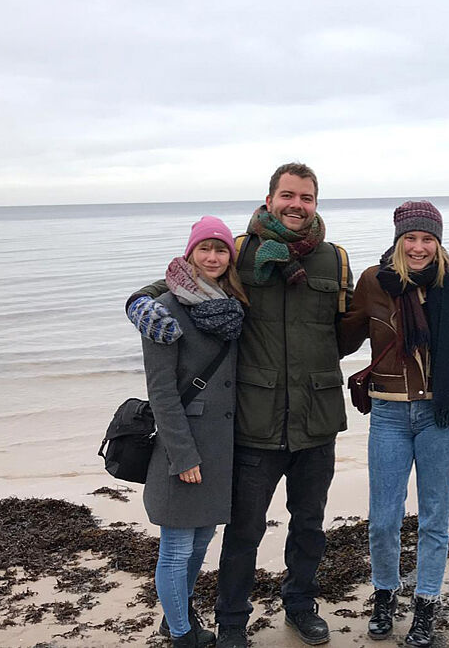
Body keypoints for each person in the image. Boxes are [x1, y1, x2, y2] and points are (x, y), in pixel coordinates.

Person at [126, 163, 353, 648]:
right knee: (243, 533)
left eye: (307, 197)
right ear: (269, 198)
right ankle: (231, 622)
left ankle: (300, 605)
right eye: (287, 195)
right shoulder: (242, 253)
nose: (297, 205)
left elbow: (346, 329)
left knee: (310, 526)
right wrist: (140, 300)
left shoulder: (334, 260)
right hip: (255, 420)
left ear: (316, 203)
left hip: (317, 420)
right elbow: (187, 280)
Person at [338, 201, 449, 648]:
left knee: (434, 517)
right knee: (383, 519)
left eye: (427, 239)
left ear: (438, 243)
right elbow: (343, 335)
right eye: (410, 238)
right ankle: (385, 596)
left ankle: (427, 605)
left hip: (440, 414)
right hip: (390, 414)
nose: (418, 247)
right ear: (398, 241)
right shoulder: (374, 282)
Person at [141, 216, 247, 648]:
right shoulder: (163, 309)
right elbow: (161, 392)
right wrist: (182, 455)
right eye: (204, 248)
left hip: (221, 444)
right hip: (183, 446)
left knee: (202, 539)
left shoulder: (231, 303)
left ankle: (176, 615)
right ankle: (182, 635)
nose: (212, 257)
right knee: (176, 548)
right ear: (189, 254)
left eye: (221, 250)